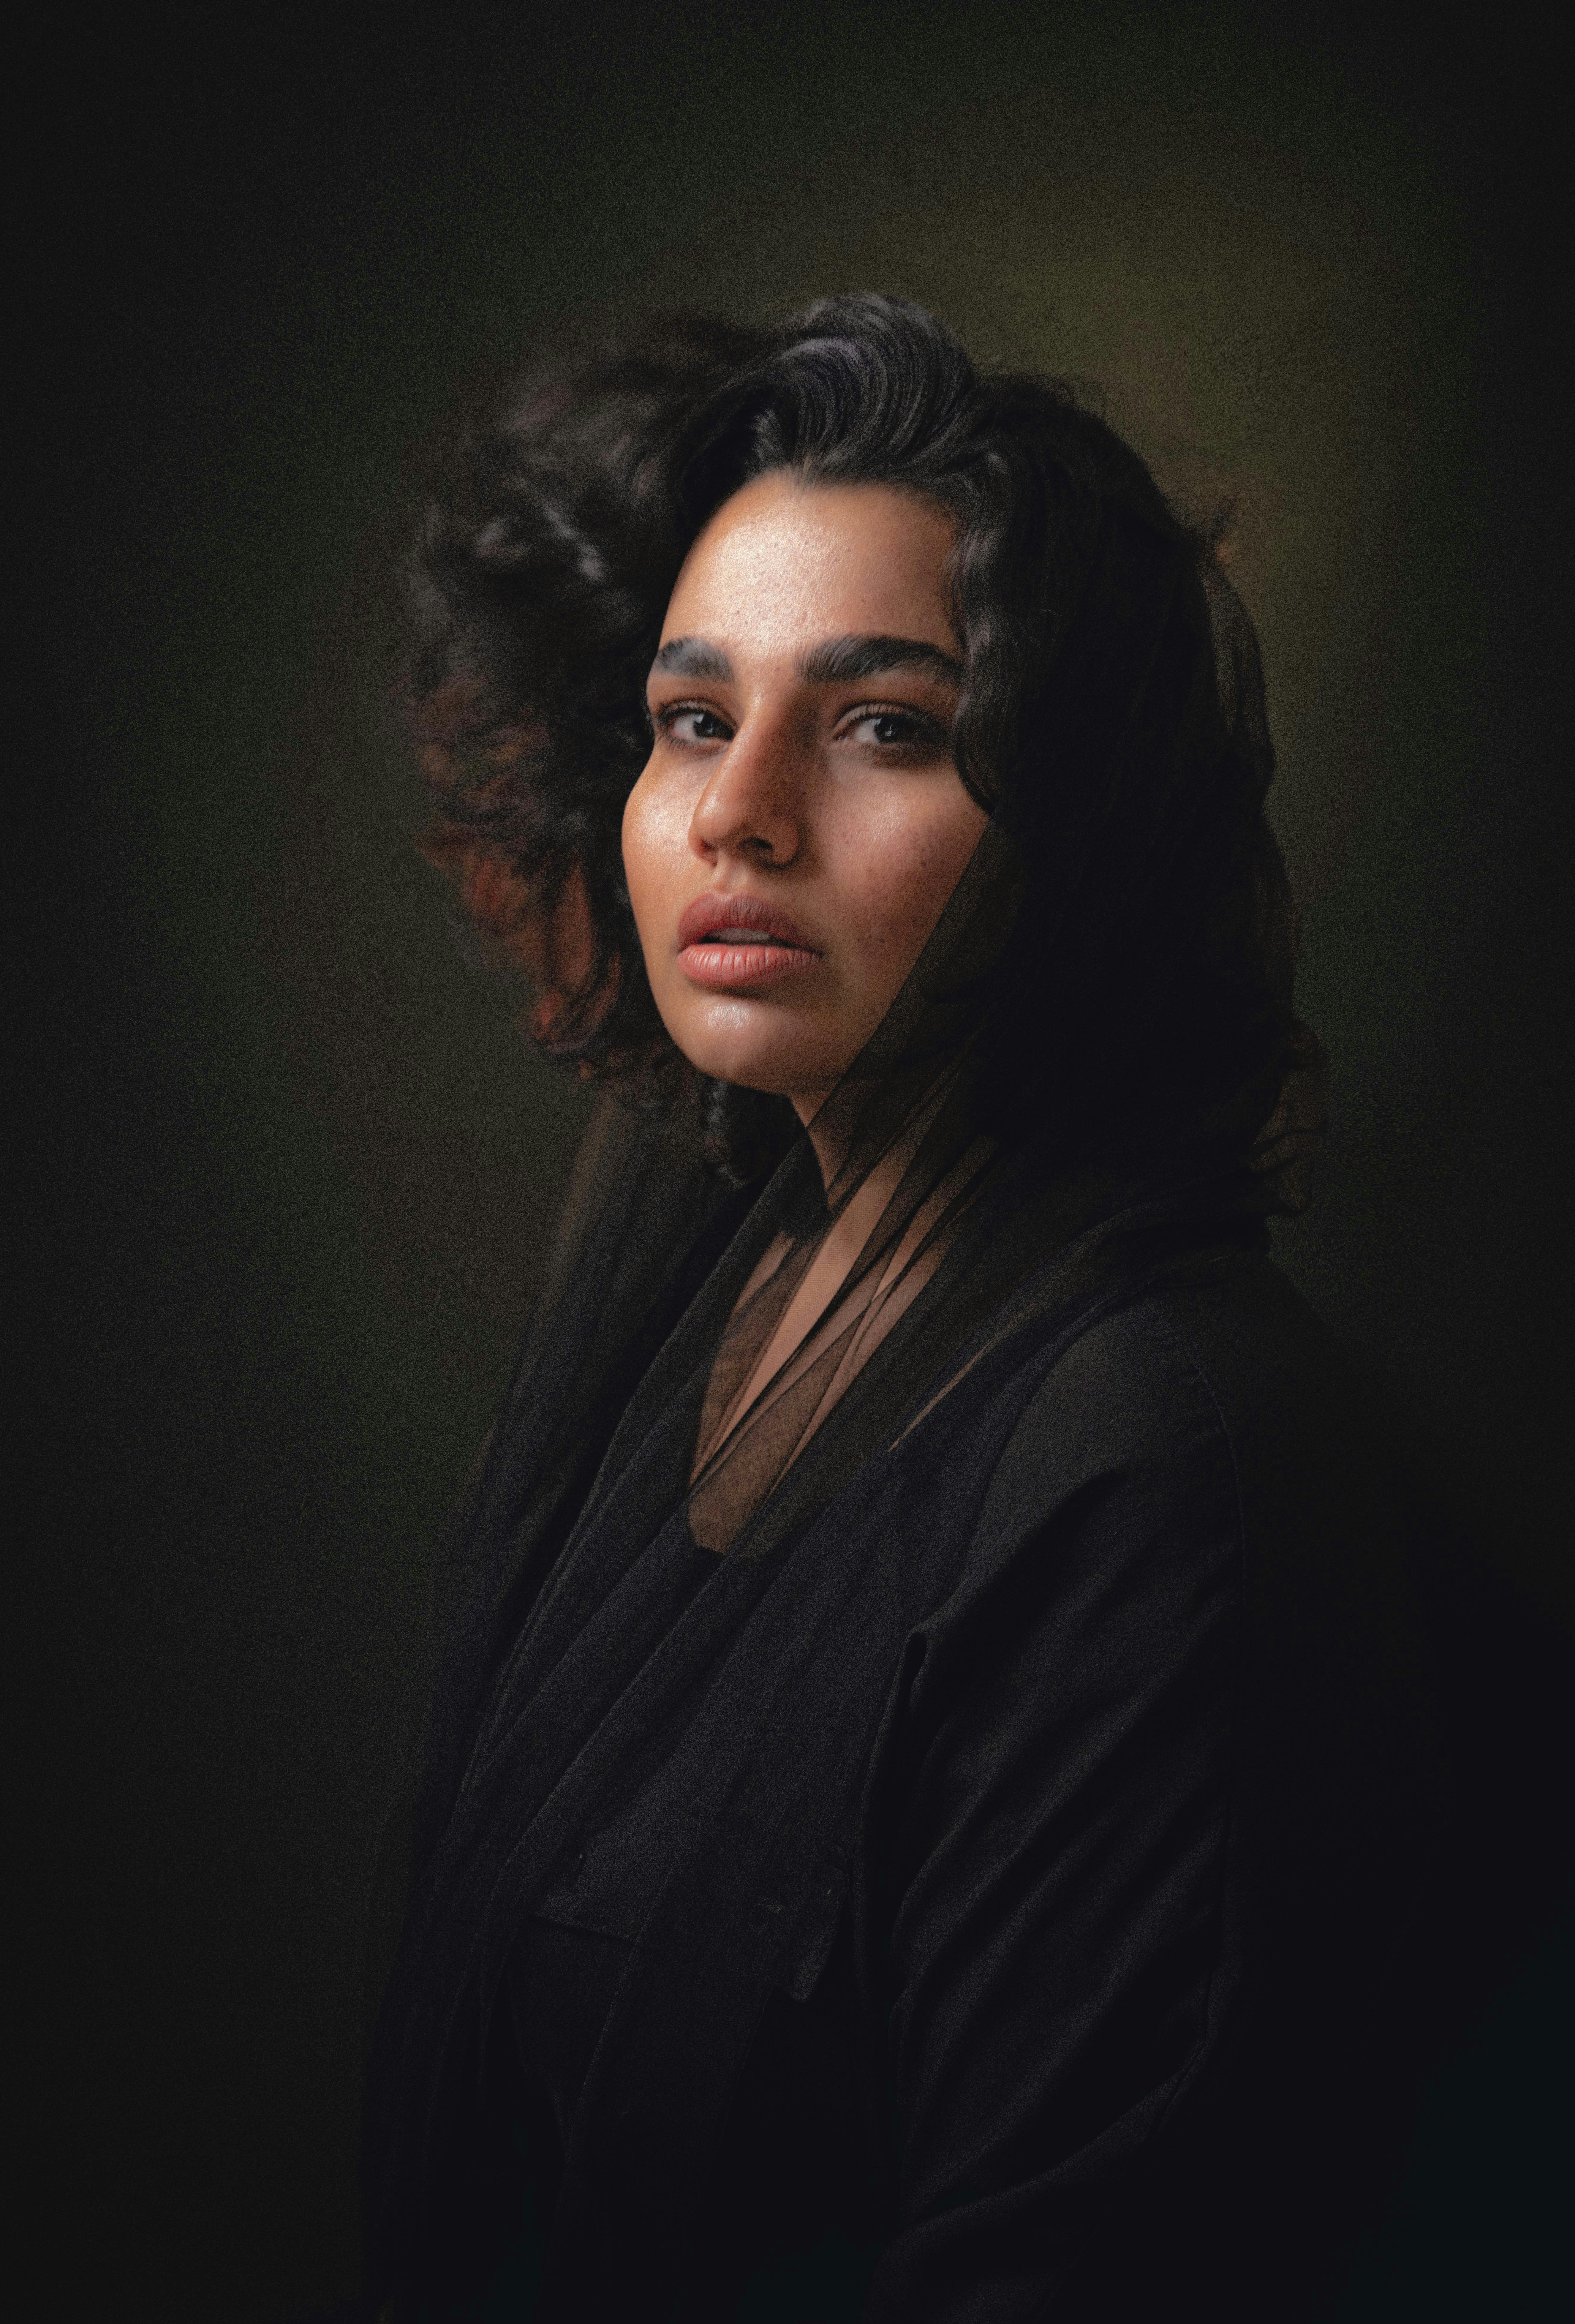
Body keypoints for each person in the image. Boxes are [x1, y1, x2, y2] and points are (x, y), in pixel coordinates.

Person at [359, 295, 1444, 2322]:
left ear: (1081, 816)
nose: (739, 814)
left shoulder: (1151, 1469)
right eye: (694, 716)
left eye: (887, 726)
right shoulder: (712, 1237)